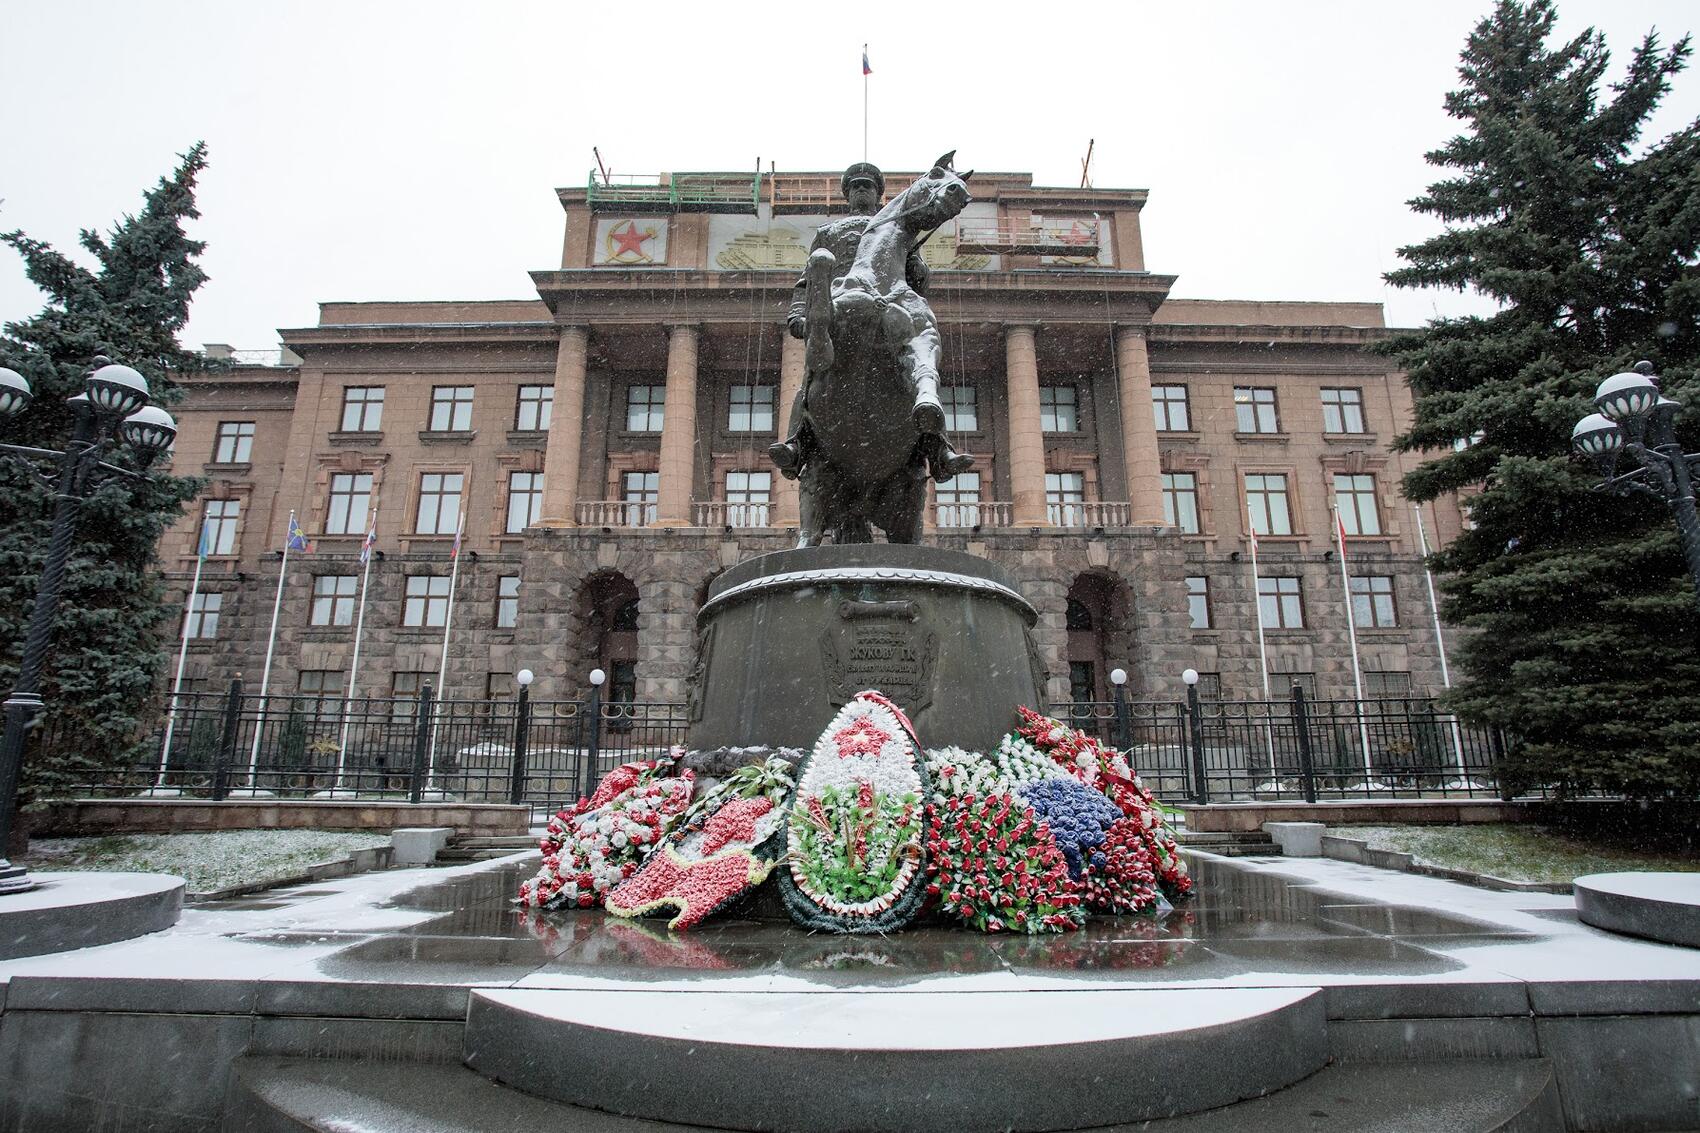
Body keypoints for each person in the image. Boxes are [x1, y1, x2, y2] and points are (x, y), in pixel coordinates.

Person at [768, 162, 974, 483]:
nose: (861, 190)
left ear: (879, 194)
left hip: (889, 303)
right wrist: (799, 314)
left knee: (919, 359)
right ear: (847, 194)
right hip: (840, 304)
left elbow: (916, 281)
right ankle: (797, 443)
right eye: (855, 186)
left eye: (867, 186)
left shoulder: (895, 227)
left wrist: (917, 265)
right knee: (812, 374)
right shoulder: (829, 232)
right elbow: (808, 281)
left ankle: (938, 449)